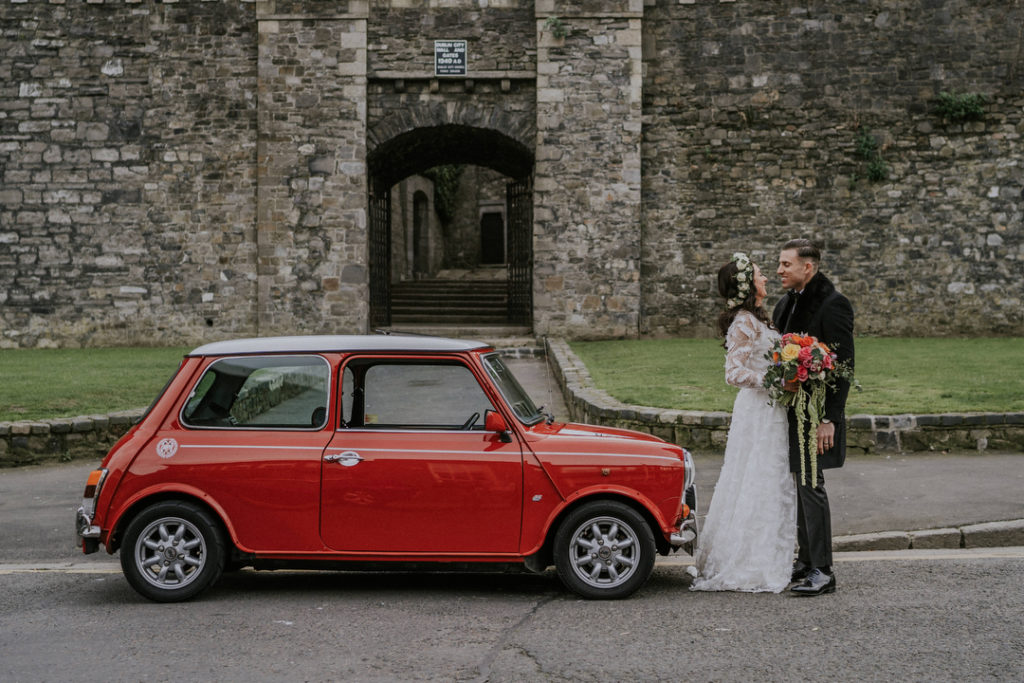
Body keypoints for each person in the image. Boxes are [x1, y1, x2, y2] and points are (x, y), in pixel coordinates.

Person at [690, 253, 797, 593]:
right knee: (757, 476)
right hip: (758, 411)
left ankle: (772, 553)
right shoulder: (744, 322)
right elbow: (733, 373)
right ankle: (751, 561)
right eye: (761, 276)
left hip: (770, 410)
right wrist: (778, 381)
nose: (766, 279)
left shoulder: (757, 318)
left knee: (771, 478)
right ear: (748, 285)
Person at [773, 238, 855, 596]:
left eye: (786, 265)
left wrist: (829, 419)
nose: (779, 270)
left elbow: (845, 366)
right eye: (778, 264)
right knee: (801, 485)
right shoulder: (784, 304)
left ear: (808, 267)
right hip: (788, 411)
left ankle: (823, 570)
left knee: (812, 485)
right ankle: (805, 561)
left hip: (814, 413)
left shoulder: (833, 305)